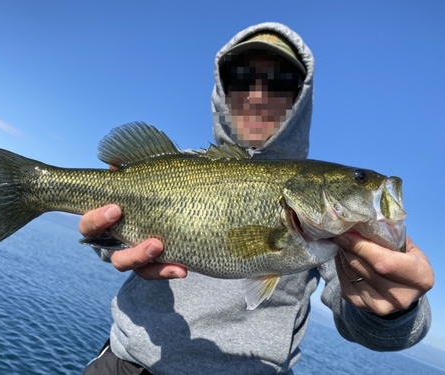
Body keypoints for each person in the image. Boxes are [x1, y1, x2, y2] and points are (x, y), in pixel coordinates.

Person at [81, 22, 434, 375]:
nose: (256, 95)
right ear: (222, 89)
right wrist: (104, 236)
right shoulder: (177, 167)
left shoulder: (336, 234)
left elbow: (366, 325)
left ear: (300, 99)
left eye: (279, 83)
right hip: (126, 364)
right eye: (240, 78)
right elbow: (110, 238)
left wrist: (396, 309)